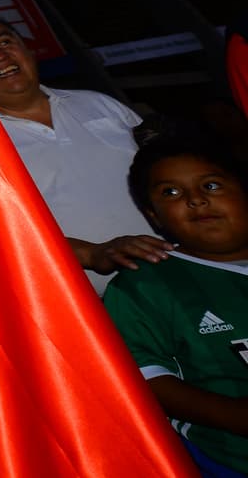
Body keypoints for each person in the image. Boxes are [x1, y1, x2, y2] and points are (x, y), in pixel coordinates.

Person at [0, 12, 173, 293]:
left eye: (5, 42)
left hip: (177, 274)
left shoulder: (100, 105)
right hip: (89, 303)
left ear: (27, 50)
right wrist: (91, 254)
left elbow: (169, 175)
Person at [103, 133, 248, 476]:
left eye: (211, 186)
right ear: (153, 215)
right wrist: (234, 415)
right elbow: (146, 378)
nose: (195, 200)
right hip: (230, 456)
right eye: (171, 192)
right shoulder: (144, 284)